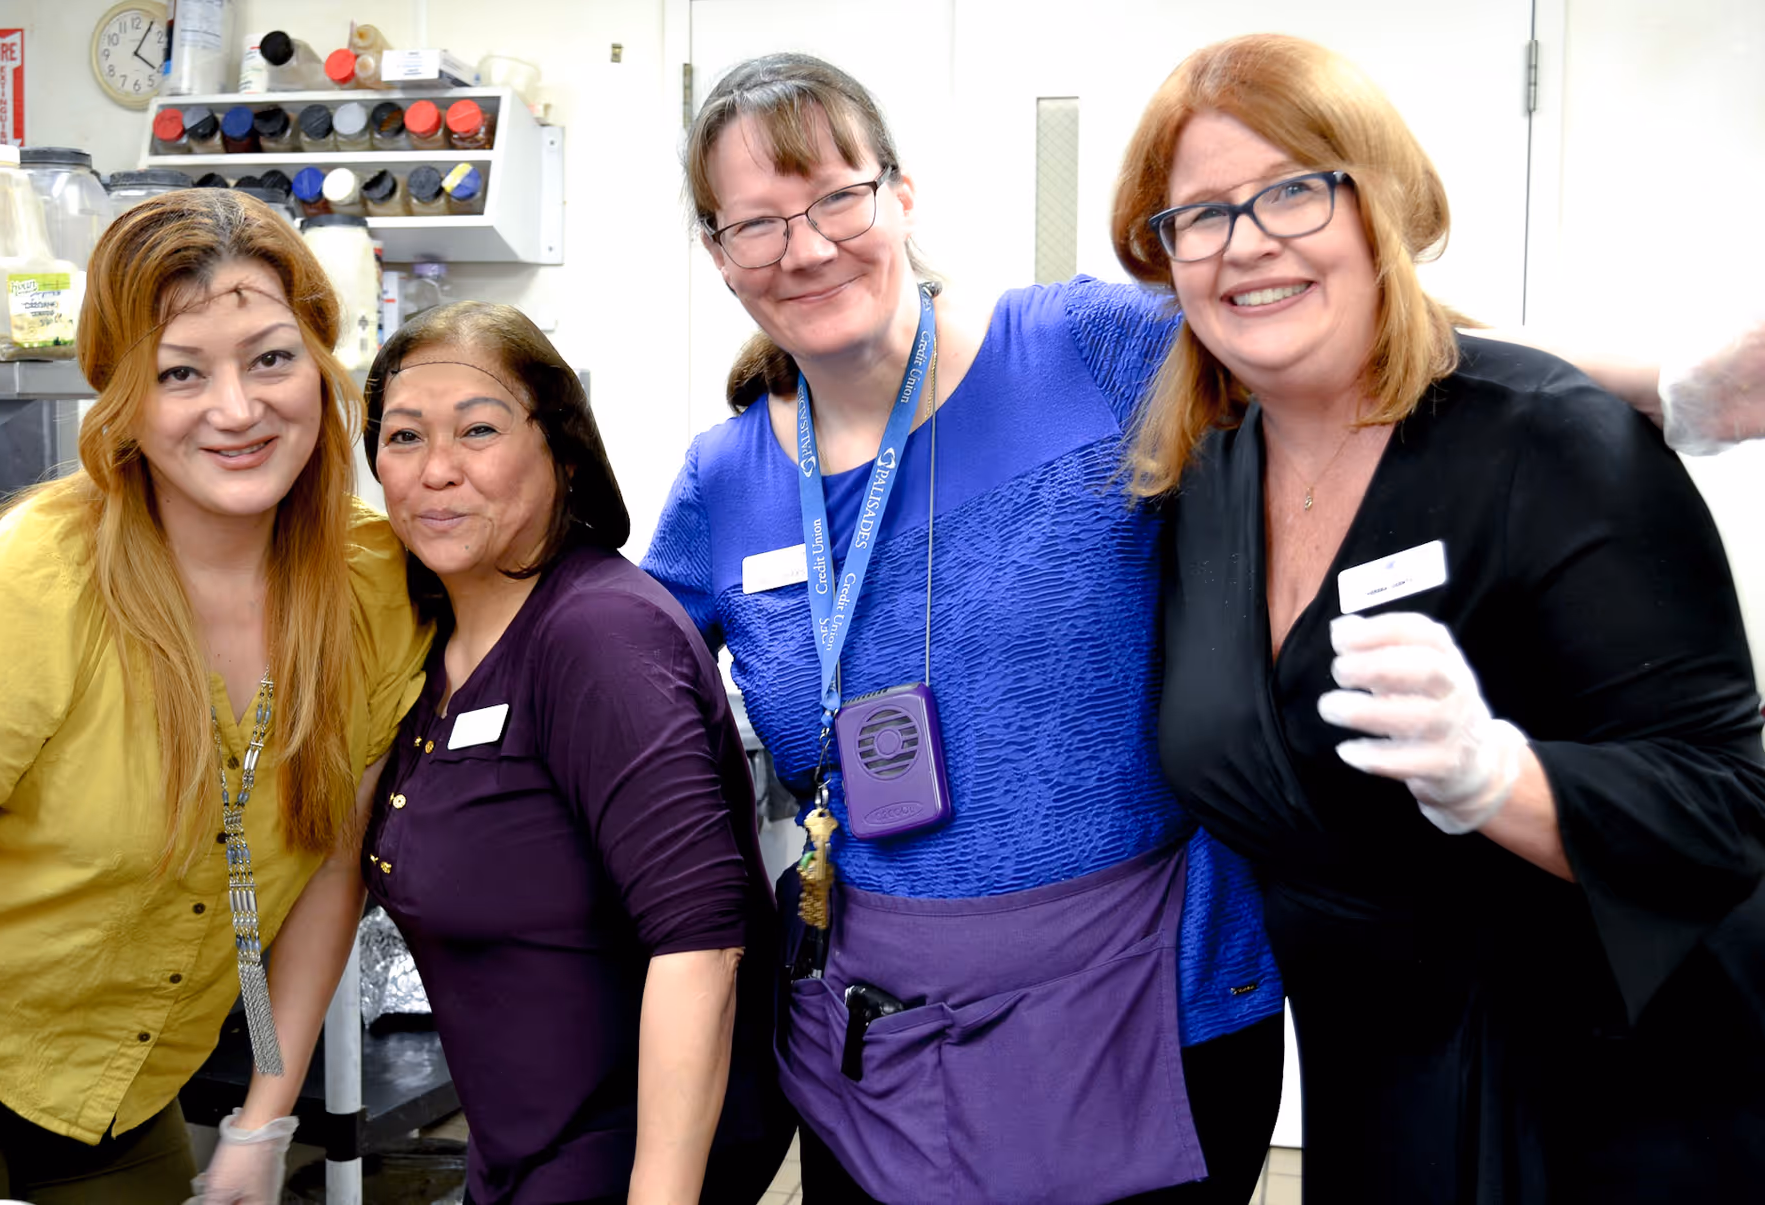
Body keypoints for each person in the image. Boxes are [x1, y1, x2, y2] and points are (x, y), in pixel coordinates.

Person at [1111, 33, 1765, 1204]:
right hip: (1375, 1087)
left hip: (1614, 1093)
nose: (1246, 241)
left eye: (1294, 189)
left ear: (1380, 204)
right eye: (1199, 215)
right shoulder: (1205, 482)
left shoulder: (1555, 444)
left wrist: (1499, 781)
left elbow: (1727, 811)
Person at [644, 53, 1285, 1205]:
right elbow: (612, 688)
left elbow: (1353, 357)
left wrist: (1674, 388)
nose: (805, 245)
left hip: (1151, 1007)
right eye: (757, 223)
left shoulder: (1091, 350)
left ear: (900, 193)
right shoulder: (722, 482)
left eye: (836, 196)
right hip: (874, 1045)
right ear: (718, 253)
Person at [0, 190, 427, 1205]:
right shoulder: (45, 572)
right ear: (121, 397)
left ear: (323, 362)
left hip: (124, 1090)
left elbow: (332, 866)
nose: (238, 409)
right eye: (180, 373)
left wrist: (263, 1122)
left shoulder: (374, 585)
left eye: (271, 358)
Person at [359, 301, 794, 1205]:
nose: (437, 469)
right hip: (522, 1154)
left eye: (477, 429)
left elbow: (702, 945)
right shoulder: (431, 642)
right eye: (404, 436)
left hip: (629, 1162)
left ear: (560, 450)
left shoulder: (597, 634)